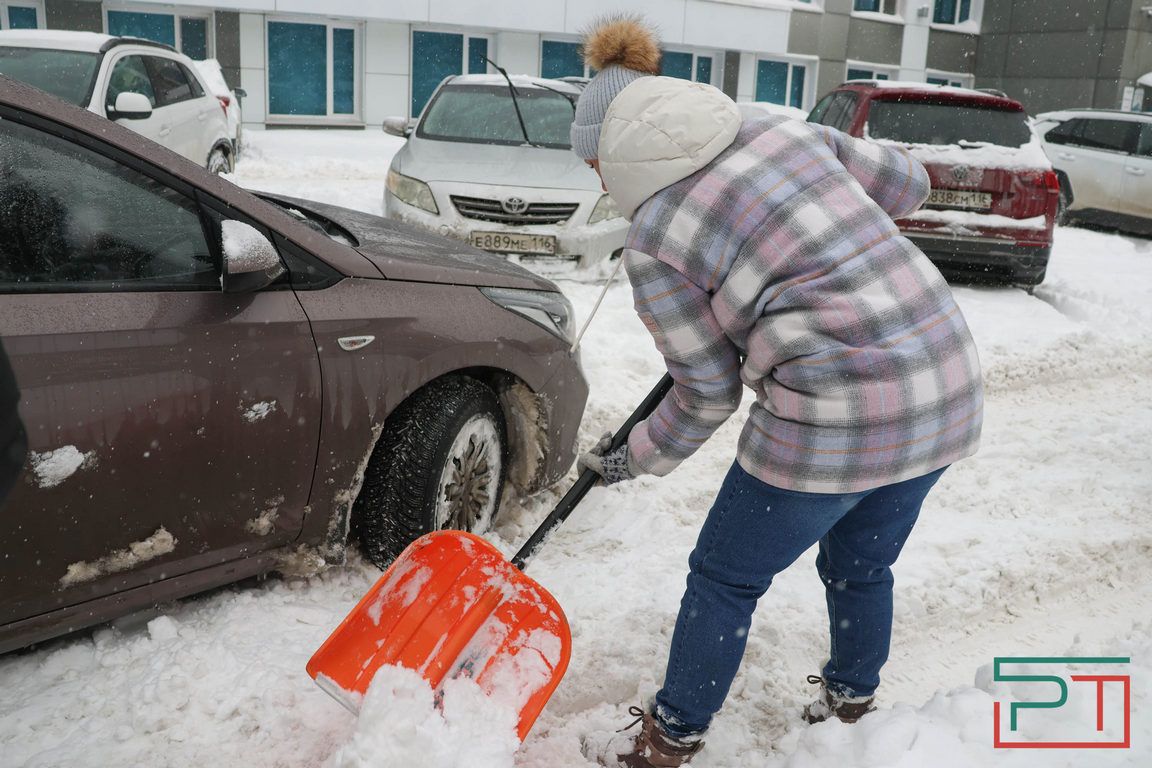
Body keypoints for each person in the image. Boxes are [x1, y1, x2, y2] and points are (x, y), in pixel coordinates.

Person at [571, 15, 983, 768]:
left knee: (726, 575)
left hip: (832, 413)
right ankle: (853, 706)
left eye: (595, 163)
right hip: (943, 386)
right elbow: (911, 183)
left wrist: (633, 457)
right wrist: (814, 224)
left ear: (615, 156)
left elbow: (704, 394)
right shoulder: (781, 131)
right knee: (862, 564)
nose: (598, 179)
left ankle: (670, 740)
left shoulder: (656, 236)